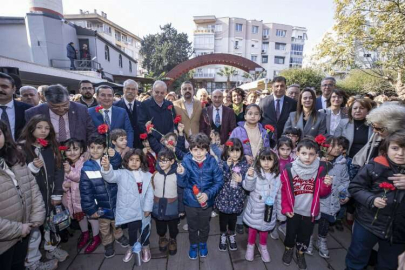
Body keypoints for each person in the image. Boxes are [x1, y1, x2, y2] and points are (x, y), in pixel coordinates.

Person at [346, 130, 405, 270]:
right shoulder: (375, 166)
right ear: (386, 148)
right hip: (368, 223)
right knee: (356, 258)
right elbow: (355, 187)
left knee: (389, 265)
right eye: (395, 148)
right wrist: (371, 199)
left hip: (397, 231)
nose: (400, 153)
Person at [19, 115, 67, 269]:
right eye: (39, 127)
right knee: (34, 229)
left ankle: (50, 248)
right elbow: (16, 176)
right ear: (31, 128)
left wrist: (57, 192)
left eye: (47, 128)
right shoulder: (21, 148)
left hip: (50, 194)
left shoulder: (50, 147)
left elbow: (59, 169)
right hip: (32, 198)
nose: (43, 131)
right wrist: (32, 168)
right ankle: (32, 261)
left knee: (51, 223)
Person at [0, 120, 46, 270]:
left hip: (23, 231)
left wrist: (37, 214)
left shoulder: (14, 158)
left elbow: (31, 186)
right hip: (5, 240)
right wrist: (18, 229)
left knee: (17, 264)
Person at [281, 139, 332, 270]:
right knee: (290, 234)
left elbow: (322, 193)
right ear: (297, 153)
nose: (307, 157)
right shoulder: (289, 169)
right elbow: (284, 191)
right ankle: (288, 249)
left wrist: (326, 185)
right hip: (294, 210)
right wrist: (286, 207)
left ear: (316, 155)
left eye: (311, 154)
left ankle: (300, 253)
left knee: (305, 236)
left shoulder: (320, 169)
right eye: (304, 153)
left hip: (310, 212)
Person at [79, 135, 129, 259]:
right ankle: (107, 243)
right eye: (92, 147)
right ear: (88, 149)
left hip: (115, 200)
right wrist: (91, 209)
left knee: (117, 222)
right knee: (104, 227)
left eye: (99, 147)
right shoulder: (86, 168)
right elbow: (85, 192)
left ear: (105, 149)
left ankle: (119, 236)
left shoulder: (109, 160)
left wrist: (115, 155)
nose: (95, 150)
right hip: (100, 206)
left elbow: (118, 163)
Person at [101, 149, 153, 263]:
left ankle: (145, 246)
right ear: (126, 161)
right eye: (131, 160)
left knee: (144, 228)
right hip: (130, 209)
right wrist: (106, 168)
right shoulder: (121, 173)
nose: (134, 162)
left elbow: (150, 192)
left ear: (141, 162)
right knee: (132, 230)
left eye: (137, 160)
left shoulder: (146, 175)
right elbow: (110, 176)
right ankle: (132, 246)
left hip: (143, 208)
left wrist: (148, 208)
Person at [176, 133, 223, 260]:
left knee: (204, 226)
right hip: (190, 202)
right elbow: (182, 184)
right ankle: (193, 245)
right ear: (190, 150)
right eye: (195, 149)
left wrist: (207, 194)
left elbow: (219, 182)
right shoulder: (186, 162)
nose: (198, 153)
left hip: (207, 203)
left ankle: (202, 243)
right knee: (192, 226)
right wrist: (181, 174)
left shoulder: (212, 162)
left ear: (207, 149)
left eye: (202, 149)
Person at [307, 136, 349, 258]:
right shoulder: (315, 160)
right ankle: (308, 239)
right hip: (316, 198)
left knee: (325, 220)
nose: (338, 148)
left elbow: (345, 181)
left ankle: (322, 240)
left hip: (331, 199)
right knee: (312, 219)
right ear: (324, 146)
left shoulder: (341, 164)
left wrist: (343, 195)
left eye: (340, 146)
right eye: (334, 145)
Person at [61, 138, 101, 254]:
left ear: (81, 150)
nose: (72, 152)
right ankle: (85, 235)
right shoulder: (68, 164)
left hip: (86, 198)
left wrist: (69, 172)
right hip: (74, 199)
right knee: (80, 218)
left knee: (92, 218)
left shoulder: (85, 162)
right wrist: (65, 185)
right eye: (68, 150)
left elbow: (80, 177)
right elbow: (65, 180)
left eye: (75, 149)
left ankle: (96, 237)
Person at [243, 148, 283, 263]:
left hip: (269, 210)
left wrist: (280, 213)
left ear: (274, 161)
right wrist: (249, 177)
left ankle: (263, 246)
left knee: (265, 229)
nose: (266, 163)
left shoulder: (277, 176)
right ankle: (250, 246)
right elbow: (247, 187)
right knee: (252, 228)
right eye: (263, 160)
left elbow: (280, 195)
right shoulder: (255, 172)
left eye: (269, 160)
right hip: (255, 209)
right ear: (258, 161)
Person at [25, 84, 95, 144]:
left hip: (77, 153)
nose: (61, 109)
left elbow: (91, 132)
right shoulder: (33, 113)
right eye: (55, 107)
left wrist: (89, 149)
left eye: (65, 105)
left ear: (68, 99)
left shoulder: (81, 109)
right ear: (47, 102)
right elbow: (28, 136)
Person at [214, 138, 249, 252]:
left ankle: (231, 234)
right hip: (223, 198)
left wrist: (242, 179)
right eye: (232, 151)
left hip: (236, 198)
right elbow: (219, 179)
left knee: (233, 219)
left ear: (241, 152)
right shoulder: (222, 162)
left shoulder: (244, 165)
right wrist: (226, 166)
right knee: (223, 219)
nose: (234, 154)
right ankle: (223, 234)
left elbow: (247, 182)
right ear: (227, 151)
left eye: (237, 151)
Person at [152, 148, 184, 256]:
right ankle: (162, 238)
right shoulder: (155, 174)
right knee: (160, 227)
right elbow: (151, 190)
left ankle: (172, 239)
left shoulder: (176, 175)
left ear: (172, 161)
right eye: (160, 160)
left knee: (173, 227)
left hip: (172, 206)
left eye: (165, 160)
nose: (162, 163)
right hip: (158, 205)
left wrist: (181, 209)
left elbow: (180, 193)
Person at [0, 72, 32, 141]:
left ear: (14, 89)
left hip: (21, 150)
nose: (0, 90)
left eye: (4, 86)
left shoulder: (28, 109)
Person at [114, 79, 142, 148]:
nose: (130, 91)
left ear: (137, 91)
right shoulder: (115, 106)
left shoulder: (142, 106)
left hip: (139, 145)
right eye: (128, 88)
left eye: (133, 89)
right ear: (123, 90)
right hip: (121, 146)